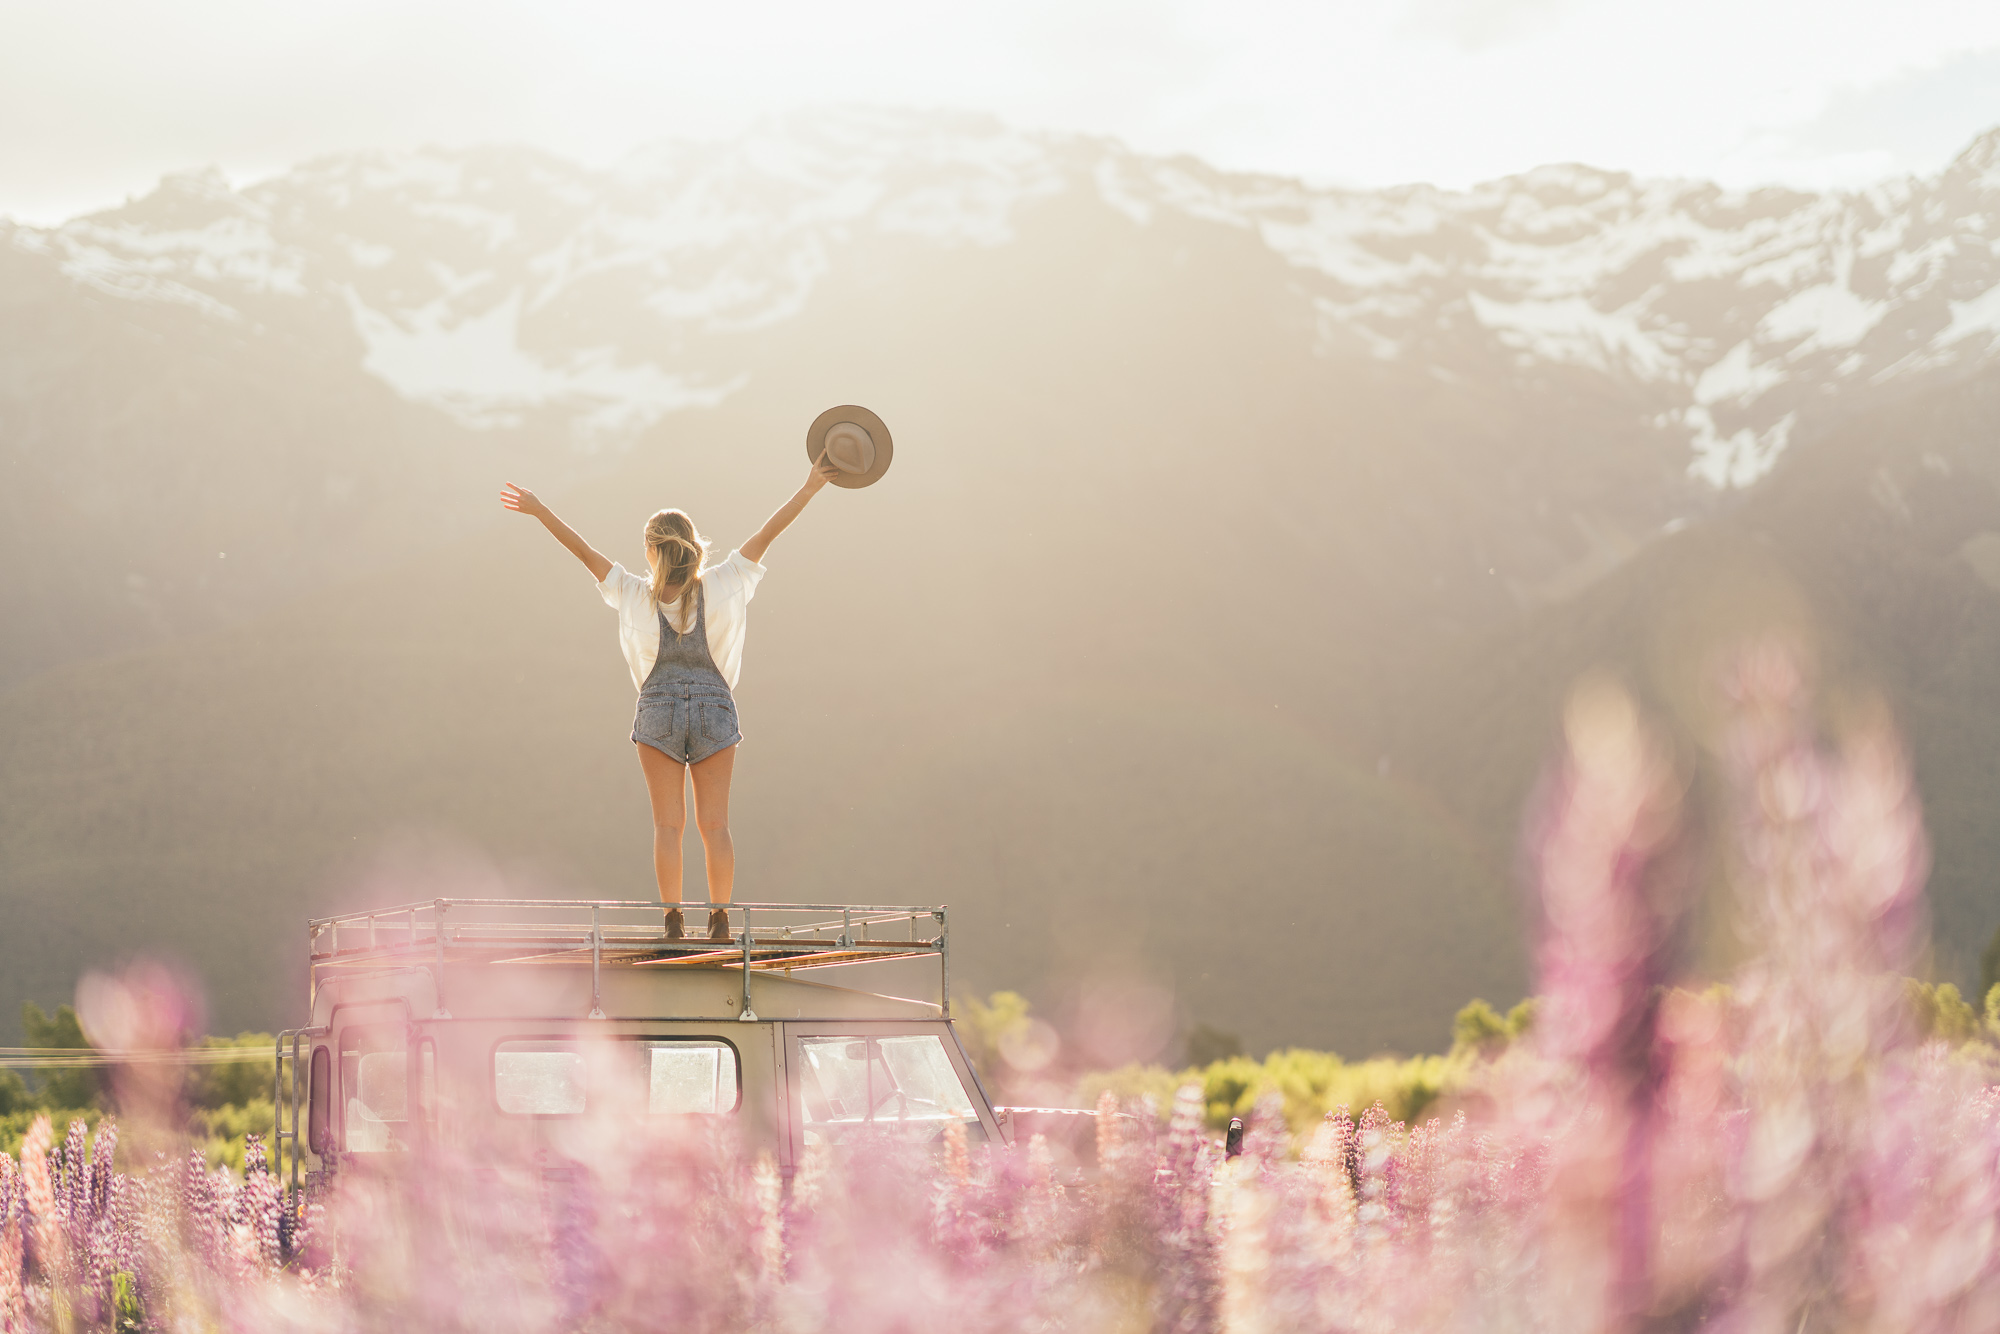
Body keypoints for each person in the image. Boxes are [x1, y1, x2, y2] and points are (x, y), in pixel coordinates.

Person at [501, 456, 840, 941]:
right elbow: (770, 531)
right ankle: (720, 920)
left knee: (668, 826)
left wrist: (539, 509)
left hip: (657, 708)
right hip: (716, 709)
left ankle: (674, 921)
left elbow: (582, 550)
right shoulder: (724, 582)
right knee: (715, 826)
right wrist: (809, 487)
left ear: (651, 551)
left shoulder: (634, 593)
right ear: (692, 547)